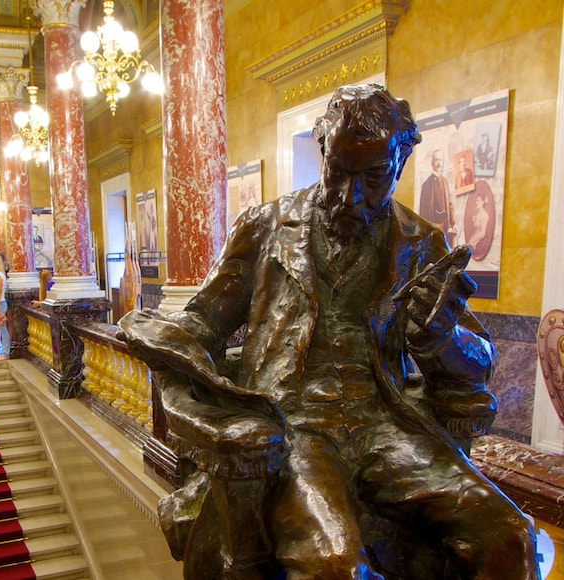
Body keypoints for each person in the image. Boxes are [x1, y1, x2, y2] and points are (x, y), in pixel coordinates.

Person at [118, 84, 536, 578]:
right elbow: (204, 319)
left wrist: (441, 337)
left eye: (374, 177)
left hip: (387, 428)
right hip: (295, 429)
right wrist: (163, 336)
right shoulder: (265, 227)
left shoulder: (421, 243)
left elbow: (479, 359)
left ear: (400, 167)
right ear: (323, 151)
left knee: (510, 536)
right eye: (337, 172)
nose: (349, 196)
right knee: (337, 565)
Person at [418, 149, 455, 244]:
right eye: (436, 160)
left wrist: (452, 223)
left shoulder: (445, 182)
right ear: (432, 162)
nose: (439, 163)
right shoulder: (426, 184)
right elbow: (422, 211)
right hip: (432, 228)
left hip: (445, 228)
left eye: (441, 160)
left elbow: (450, 205)